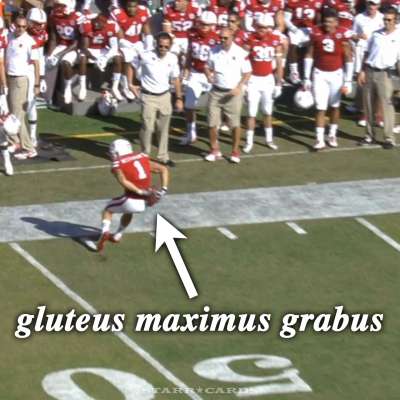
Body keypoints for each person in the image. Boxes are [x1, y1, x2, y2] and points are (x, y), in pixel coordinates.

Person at [97, 138, 169, 252]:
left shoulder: (117, 163)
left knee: (108, 210)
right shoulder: (142, 157)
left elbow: (123, 180)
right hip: (146, 201)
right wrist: (163, 190)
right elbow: (163, 169)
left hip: (132, 198)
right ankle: (117, 235)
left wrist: (139, 191)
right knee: (128, 212)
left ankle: (104, 231)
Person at [130, 32, 184, 166]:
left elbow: (176, 78)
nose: (163, 49)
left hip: (165, 96)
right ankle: (144, 155)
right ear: (156, 44)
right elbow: (131, 66)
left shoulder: (172, 58)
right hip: (148, 96)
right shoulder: (145, 55)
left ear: (170, 46)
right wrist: (130, 84)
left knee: (163, 128)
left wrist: (178, 98)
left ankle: (163, 156)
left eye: (166, 46)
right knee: (147, 127)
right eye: (161, 46)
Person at [303, 8, 353, 150]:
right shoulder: (316, 32)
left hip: (336, 73)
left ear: (336, 22)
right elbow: (309, 54)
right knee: (320, 107)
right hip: (320, 73)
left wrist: (348, 80)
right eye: (325, 21)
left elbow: (348, 57)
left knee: (335, 106)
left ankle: (332, 134)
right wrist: (306, 77)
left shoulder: (341, 34)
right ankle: (319, 139)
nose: (327, 25)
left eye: (330, 22)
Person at [204, 27, 252, 163]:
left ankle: (235, 151)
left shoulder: (241, 53)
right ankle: (214, 149)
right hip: (216, 91)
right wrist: (208, 75)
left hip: (233, 93)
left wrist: (239, 87)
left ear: (232, 37)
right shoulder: (213, 51)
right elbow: (207, 66)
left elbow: (247, 72)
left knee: (234, 124)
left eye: (225, 38)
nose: (222, 40)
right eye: (221, 38)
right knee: (212, 123)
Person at [357, 6, 400, 149]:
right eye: (385, 19)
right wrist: (362, 71)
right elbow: (367, 53)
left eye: (389, 20)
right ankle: (369, 136)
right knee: (368, 106)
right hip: (369, 71)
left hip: (386, 74)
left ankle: (389, 138)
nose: (386, 22)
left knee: (387, 106)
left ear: (395, 20)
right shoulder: (375, 34)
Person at [243, 14, 284, 153]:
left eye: (266, 27)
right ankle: (249, 141)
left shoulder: (275, 40)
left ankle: (269, 139)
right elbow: (243, 62)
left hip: (268, 79)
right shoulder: (250, 39)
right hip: (253, 79)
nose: (263, 30)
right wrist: (244, 82)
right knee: (251, 113)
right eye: (260, 27)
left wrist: (279, 83)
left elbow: (279, 63)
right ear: (256, 26)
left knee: (267, 112)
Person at [180, 10, 219, 145]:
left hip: (212, 74)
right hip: (196, 73)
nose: (203, 27)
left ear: (213, 25)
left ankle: (216, 131)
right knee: (189, 105)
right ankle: (191, 133)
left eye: (207, 24)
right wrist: (185, 72)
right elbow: (190, 54)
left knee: (214, 106)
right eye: (202, 23)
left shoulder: (217, 38)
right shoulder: (192, 34)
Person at [6, 14, 40, 159]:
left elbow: (36, 63)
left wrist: (37, 84)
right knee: (11, 113)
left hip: (21, 80)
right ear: (14, 24)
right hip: (9, 77)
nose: (21, 29)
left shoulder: (29, 41)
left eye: (24, 26)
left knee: (17, 116)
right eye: (19, 26)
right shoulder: (10, 37)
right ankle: (14, 141)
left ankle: (29, 148)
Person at [111, 0, 152, 100]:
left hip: (138, 42)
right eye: (129, 7)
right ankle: (125, 86)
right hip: (124, 43)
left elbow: (147, 30)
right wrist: (132, 47)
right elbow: (120, 38)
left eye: (134, 7)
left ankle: (144, 85)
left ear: (137, 6)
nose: (131, 9)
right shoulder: (118, 14)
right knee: (128, 57)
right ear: (125, 6)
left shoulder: (144, 11)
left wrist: (149, 46)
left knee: (147, 59)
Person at [47, 0, 86, 104]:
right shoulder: (53, 16)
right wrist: (50, 55)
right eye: (56, 5)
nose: (57, 8)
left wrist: (59, 54)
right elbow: (53, 38)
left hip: (74, 47)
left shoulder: (78, 17)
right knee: (47, 63)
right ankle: (46, 96)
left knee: (65, 62)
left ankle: (68, 87)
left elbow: (77, 42)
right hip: (62, 44)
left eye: (60, 6)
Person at [79, 12, 123, 101]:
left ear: (105, 23)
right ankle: (82, 87)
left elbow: (114, 47)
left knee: (118, 58)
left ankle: (115, 87)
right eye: (95, 21)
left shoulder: (112, 26)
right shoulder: (87, 25)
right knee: (82, 58)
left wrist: (105, 58)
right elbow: (84, 48)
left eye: (99, 22)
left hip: (103, 49)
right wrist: (96, 59)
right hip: (90, 49)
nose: (96, 24)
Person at [26, 7, 48, 147]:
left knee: (30, 103)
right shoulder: (15, 32)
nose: (39, 26)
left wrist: (42, 77)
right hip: (15, 70)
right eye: (36, 23)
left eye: (41, 24)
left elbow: (40, 57)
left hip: (30, 71)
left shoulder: (42, 35)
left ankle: (32, 136)